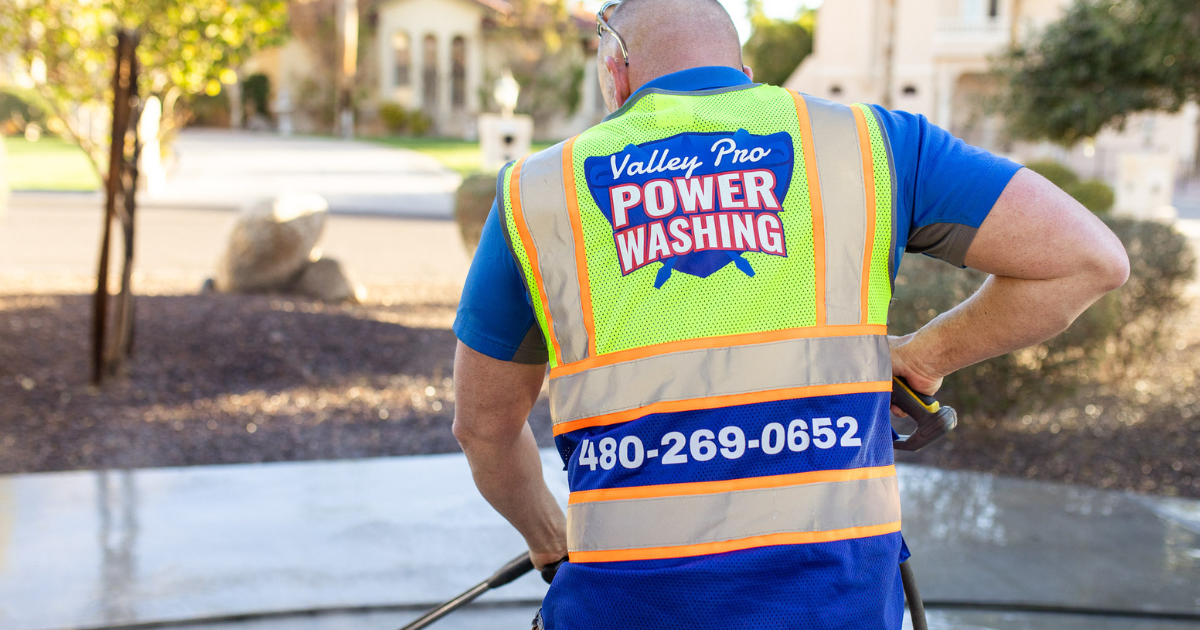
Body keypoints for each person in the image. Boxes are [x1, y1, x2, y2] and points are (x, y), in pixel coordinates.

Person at [451, 0, 1130, 628]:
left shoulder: (537, 193)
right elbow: (1087, 259)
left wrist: (550, 541)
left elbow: (483, 427)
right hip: (837, 604)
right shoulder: (872, 145)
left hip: (627, 605)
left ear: (616, 74)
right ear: (745, 76)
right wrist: (922, 359)